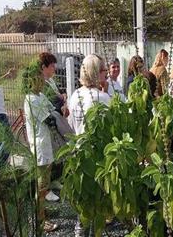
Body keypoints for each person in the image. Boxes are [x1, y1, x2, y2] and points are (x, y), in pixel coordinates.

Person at [68, 54, 111, 236]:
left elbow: (71, 124)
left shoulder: (75, 94)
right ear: (95, 73)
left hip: (78, 152)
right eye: (103, 70)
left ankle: (80, 229)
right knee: (98, 197)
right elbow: (109, 128)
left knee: (83, 196)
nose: (106, 73)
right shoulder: (102, 98)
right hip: (97, 154)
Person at [22, 61, 58, 232]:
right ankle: (40, 220)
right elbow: (50, 118)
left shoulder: (40, 96)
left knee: (46, 181)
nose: (43, 80)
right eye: (39, 78)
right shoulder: (31, 99)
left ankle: (42, 214)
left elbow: (54, 108)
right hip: (39, 147)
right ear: (32, 80)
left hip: (46, 144)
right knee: (42, 184)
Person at [39, 52, 68, 117]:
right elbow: (54, 103)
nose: (55, 68)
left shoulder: (51, 80)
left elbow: (62, 94)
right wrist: (62, 98)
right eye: (52, 66)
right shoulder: (41, 84)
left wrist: (63, 97)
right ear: (44, 67)